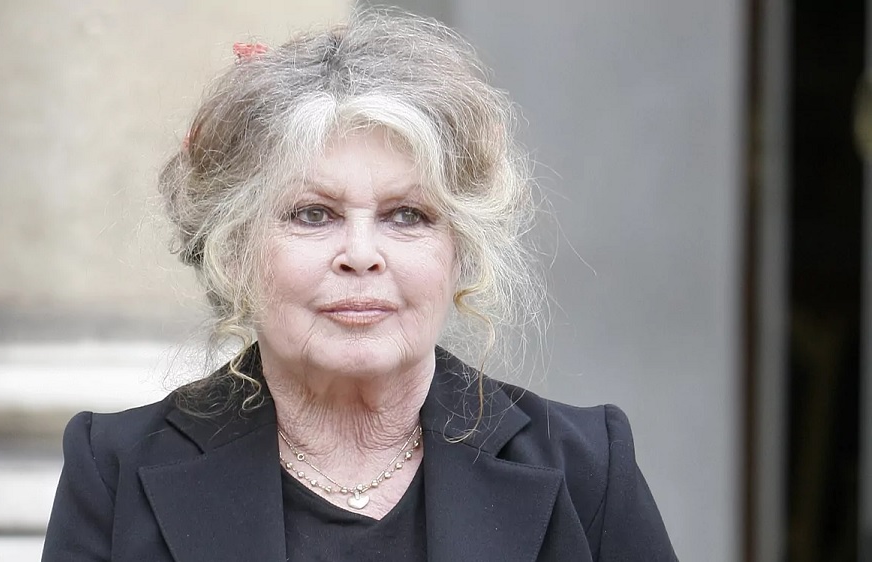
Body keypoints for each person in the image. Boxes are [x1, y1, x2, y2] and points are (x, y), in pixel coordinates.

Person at [42, 9, 677, 561]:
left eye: (408, 215)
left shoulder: (586, 466)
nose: (362, 255)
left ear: (460, 250)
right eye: (312, 214)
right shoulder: (116, 468)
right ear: (234, 251)